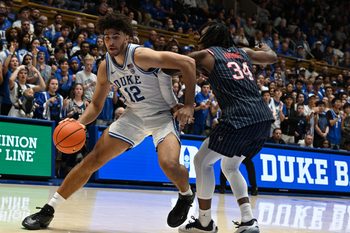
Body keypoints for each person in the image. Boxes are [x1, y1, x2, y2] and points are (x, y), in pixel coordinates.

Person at [22, 13, 196, 230]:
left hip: (162, 116)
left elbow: (188, 63)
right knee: (91, 160)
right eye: (106, 37)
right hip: (133, 116)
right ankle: (48, 210)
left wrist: (188, 104)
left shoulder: (141, 55)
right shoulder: (105, 66)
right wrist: (80, 123)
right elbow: (95, 105)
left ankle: (186, 194)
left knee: (168, 164)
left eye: (116, 36)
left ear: (127, 38)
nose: (111, 42)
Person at [178, 22, 277, 233]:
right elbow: (272, 56)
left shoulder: (207, 54)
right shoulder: (243, 52)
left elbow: (181, 62)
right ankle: (248, 221)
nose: (199, 37)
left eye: (202, 33)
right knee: (230, 167)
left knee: (201, 161)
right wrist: (262, 44)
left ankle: (204, 222)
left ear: (211, 36)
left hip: (239, 117)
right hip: (263, 118)